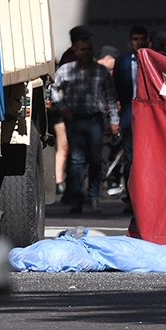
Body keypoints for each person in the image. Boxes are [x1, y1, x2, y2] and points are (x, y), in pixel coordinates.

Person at [50, 37, 120, 213]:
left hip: (95, 119)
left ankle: (94, 197)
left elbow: (111, 96)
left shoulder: (100, 71)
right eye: (82, 49)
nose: (86, 53)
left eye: (89, 49)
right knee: (77, 160)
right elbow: (54, 89)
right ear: (76, 51)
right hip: (75, 120)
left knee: (96, 159)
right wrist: (63, 107)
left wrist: (114, 120)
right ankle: (76, 199)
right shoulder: (67, 70)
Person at [49, 26, 94, 197]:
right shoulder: (72, 59)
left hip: (67, 109)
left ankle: (65, 185)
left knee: (68, 148)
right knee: (68, 147)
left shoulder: (73, 56)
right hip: (67, 111)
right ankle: (64, 185)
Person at [113, 26, 149, 211]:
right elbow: (116, 90)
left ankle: (146, 198)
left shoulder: (153, 61)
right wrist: (115, 117)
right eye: (135, 39)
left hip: (150, 119)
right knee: (130, 159)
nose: (138, 42)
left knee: (148, 159)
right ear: (130, 41)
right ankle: (131, 198)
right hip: (129, 116)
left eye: (142, 39)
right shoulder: (122, 62)